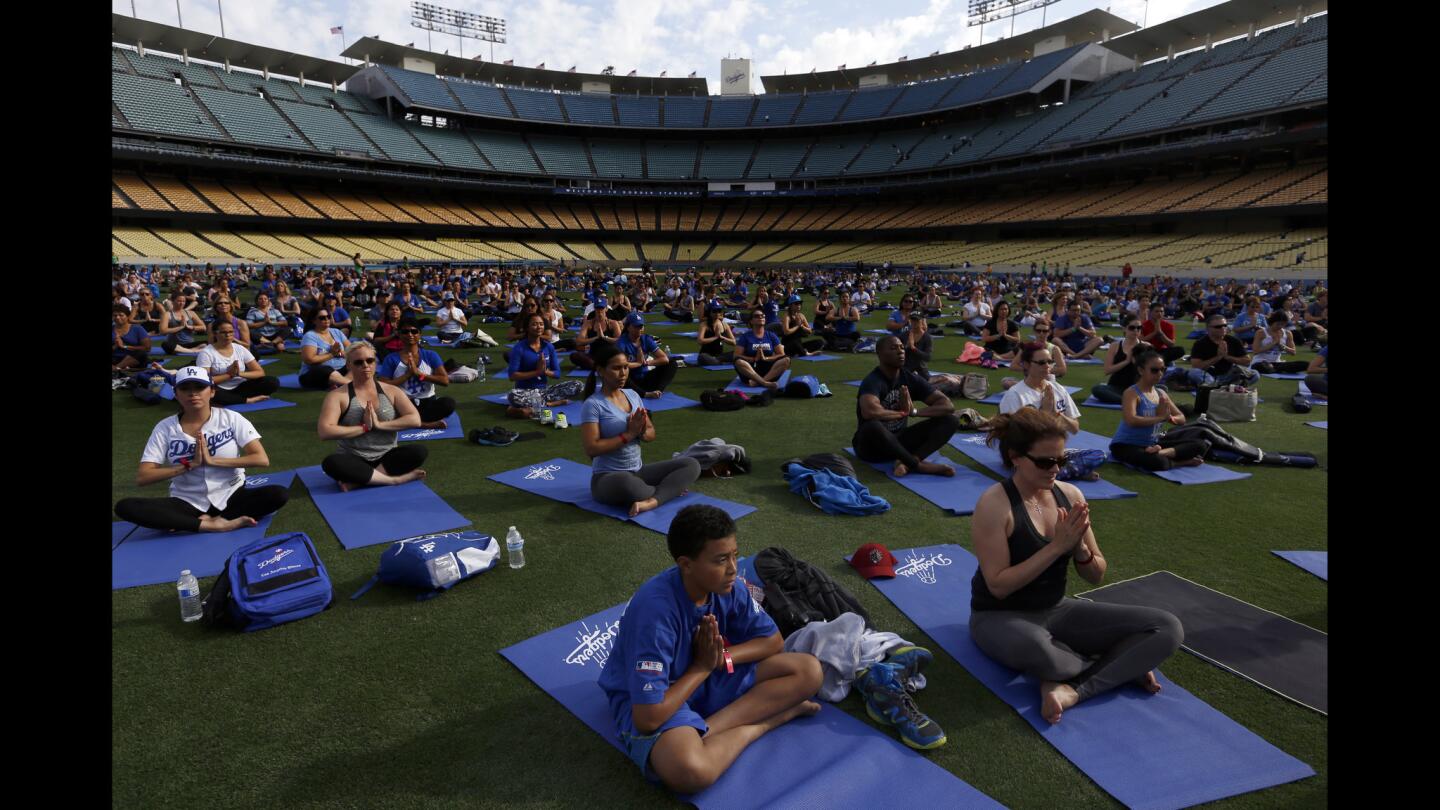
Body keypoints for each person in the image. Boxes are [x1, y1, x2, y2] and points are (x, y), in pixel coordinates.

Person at [968, 407, 1182, 724]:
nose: (1055, 468)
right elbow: (998, 586)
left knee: (1167, 627)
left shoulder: (1070, 495)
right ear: (1015, 456)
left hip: (1056, 609)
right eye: (1045, 461)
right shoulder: (995, 504)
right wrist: (1057, 548)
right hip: (1000, 617)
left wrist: (1078, 545)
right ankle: (1119, 666)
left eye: (1062, 459)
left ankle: (1071, 690)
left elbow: (1096, 574)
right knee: (1046, 656)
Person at [597, 503, 823, 792]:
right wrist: (702, 667)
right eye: (720, 560)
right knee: (691, 771)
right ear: (686, 564)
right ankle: (769, 721)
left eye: (734, 556)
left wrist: (722, 657)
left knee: (808, 670)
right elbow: (647, 718)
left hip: (708, 676)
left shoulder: (730, 586)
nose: (732, 569)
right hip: (662, 697)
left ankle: (708, 730)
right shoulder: (655, 614)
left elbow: (773, 642)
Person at [114, 367, 289, 532]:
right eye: (185, 388)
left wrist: (213, 461)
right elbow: (144, 477)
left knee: (277, 494)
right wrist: (190, 465)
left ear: (212, 391)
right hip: (187, 500)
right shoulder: (165, 427)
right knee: (126, 507)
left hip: (232, 494)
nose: (193, 393)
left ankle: (202, 521)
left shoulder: (231, 418)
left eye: (200, 387)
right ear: (176, 393)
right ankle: (213, 525)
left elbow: (260, 459)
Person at [580, 341, 702, 517]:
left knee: (691, 464)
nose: (623, 373)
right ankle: (668, 491)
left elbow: (651, 434)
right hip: (608, 478)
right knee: (628, 485)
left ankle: (651, 500)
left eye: (625, 367)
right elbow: (591, 449)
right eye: (616, 368)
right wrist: (629, 434)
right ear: (600, 370)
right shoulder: (593, 405)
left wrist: (642, 431)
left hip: (639, 472)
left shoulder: (633, 395)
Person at [317, 341, 427, 491]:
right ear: (349, 365)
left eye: (370, 360)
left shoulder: (391, 390)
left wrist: (379, 425)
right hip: (354, 458)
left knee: (419, 451)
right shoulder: (337, 396)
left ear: (375, 362)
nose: (365, 365)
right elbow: (325, 431)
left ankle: (360, 482)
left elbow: (415, 419)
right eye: (358, 362)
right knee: (331, 463)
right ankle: (393, 480)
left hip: (387, 458)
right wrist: (364, 428)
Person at [853, 335, 960, 477]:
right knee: (873, 425)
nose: (900, 351)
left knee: (950, 420)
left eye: (902, 348)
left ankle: (909, 460)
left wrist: (914, 412)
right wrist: (903, 413)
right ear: (879, 354)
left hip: (900, 442)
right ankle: (917, 466)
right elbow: (869, 412)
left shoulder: (909, 378)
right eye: (893, 348)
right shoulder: (872, 381)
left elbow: (947, 405)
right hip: (872, 448)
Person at [999, 343, 1104, 481]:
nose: (1047, 366)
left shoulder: (1057, 388)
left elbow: (1074, 428)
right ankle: (1068, 471)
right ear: (1026, 365)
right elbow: (1014, 438)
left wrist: (1055, 413)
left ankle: (1061, 470)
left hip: (1053, 452)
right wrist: (1044, 414)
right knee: (1031, 465)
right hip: (1026, 453)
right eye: (1041, 362)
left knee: (1098, 454)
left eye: (1050, 361)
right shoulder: (1015, 395)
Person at [1111, 350, 1210, 471]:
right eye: (1154, 370)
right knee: (1158, 462)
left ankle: (1162, 453)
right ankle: (1179, 462)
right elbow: (1131, 420)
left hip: (1152, 445)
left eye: (1162, 369)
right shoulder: (1131, 393)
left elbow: (1181, 418)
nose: (1159, 374)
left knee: (1201, 444)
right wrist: (1160, 417)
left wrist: (1169, 418)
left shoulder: (1160, 393)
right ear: (1141, 370)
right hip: (1126, 446)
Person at [377, 319, 456, 428]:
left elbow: (445, 380)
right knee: (381, 407)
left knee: (448, 403)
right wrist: (407, 375)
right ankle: (422, 424)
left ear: (419, 334)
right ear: (399, 334)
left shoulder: (430, 355)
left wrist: (420, 375)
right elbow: (382, 386)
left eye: (414, 331)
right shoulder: (391, 359)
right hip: (404, 404)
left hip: (427, 403)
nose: (410, 334)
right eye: (405, 332)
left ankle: (410, 422)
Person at [505, 312, 580, 418]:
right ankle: (550, 404)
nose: (538, 327)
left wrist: (545, 371)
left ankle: (535, 406)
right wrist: (536, 372)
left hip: (544, 391)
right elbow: (512, 376)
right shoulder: (519, 348)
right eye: (534, 324)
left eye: (541, 324)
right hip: (525, 391)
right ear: (527, 327)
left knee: (577, 385)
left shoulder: (548, 347)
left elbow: (557, 373)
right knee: (512, 396)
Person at [194, 320, 280, 406]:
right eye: (223, 332)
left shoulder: (240, 348)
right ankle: (247, 400)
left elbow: (260, 372)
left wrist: (239, 373)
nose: (228, 335)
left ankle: (235, 399)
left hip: (241, 386)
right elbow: (204, 380)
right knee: (207, 393)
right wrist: (229, 375)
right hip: (219, 388)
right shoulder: (206, 353)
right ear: (215, 334)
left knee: (272, 382)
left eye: (231, 332)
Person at [618, 312, 678, 399]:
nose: (639, 329)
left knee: (672, 363)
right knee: (621, 373)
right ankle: (645, 394)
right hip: (630, 381)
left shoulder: (646, 339)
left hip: (645, 378)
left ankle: (658, 391)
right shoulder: (621, 342)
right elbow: (620, 365)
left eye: (641, 326)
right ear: (628, 327)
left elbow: (664, 359)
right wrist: (638, 364)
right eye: (636, 326)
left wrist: (647, 363)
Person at [1089, 317, 1148, 404]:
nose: (1136, 330)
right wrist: (1126, 361)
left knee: (1161, 389)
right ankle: (1130, 401)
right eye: (1132, 328)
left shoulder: (1146, 346)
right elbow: (1107, 370)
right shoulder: (1115, 346)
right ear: (1124, 328)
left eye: (1139, 328)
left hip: (1138, 387)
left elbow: (1150, 373)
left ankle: (1131, 400)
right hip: (1117, 387)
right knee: (1097, 389)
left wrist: (1136, 363)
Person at [1185, 315, 1254, 388]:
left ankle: (1218, 386)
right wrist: (1218, 357)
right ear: (1208, 328)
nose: (1222, 328)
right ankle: (1219, 386)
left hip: (1228, 375)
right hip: (1209, 375)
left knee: (1254, 374)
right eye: (1218, 327)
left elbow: (1247, 361)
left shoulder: (1234, 341)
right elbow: (1196, 366)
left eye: (1225, 325)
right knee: (1194, 372)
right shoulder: (1200, 343)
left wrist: (1227, 357)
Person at [734, 309, 792, 390]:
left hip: (769, 371)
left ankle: (759, 382)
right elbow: (736, 355)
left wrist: (766, 358)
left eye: (762, 316)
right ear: (751, 321)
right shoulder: (745, 336)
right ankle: (764, 383)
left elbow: (781, 354)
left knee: (786, 359)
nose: (760, 317)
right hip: (751, 370)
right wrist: (754, 359)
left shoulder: (771, 335)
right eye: (757, 316)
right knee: (738, 361)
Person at [298, 308, 352, 390]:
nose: (327, 319)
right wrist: (332, 354)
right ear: (314, 321)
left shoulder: (336, 332)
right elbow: (309, 360)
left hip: (340, 370)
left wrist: (340, 353)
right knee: (325, 369)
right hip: (316, 373)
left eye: (328, 317)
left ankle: (337, 383)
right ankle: (350, 384)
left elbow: (353, 352)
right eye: (322, 318)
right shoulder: (310, 336)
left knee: (358, 363)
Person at [572, 297, 623, 371]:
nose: (599, 311)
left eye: (601, 308)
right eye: (597, 308)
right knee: (574, 356)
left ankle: (600, 366)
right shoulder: (588, 323)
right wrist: (596, 337)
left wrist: (604, 337)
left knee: (621, 356)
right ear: (594, 309)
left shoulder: (613, 323)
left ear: (606, 309)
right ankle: (601, 367)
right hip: (594, 355)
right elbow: (579, 341)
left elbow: (620, 340)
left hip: (609, 355)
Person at [695, 301, 737, 365]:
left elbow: (734, 342)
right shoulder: (704, 325)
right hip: (706, 355)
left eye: (719, 311)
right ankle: (718, 361)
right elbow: (700, 341)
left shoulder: (724, 324)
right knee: (702, 357)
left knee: (738, 353)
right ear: (709, 312)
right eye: (714, 311)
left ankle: (718, 360)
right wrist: (715, 337)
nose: (717, 313)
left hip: (720, 355)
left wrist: (721, 337)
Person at [112, 305, 151, 371]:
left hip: (133, 358)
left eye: (121, 315)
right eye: (115, 315)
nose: (117, 317)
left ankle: (117, 368)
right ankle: (120, 367)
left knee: (142, 353)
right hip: (115, 358)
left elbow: (147, 348)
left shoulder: (137, 328)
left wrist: (125, 346)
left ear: (127, 317)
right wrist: (115, 346)